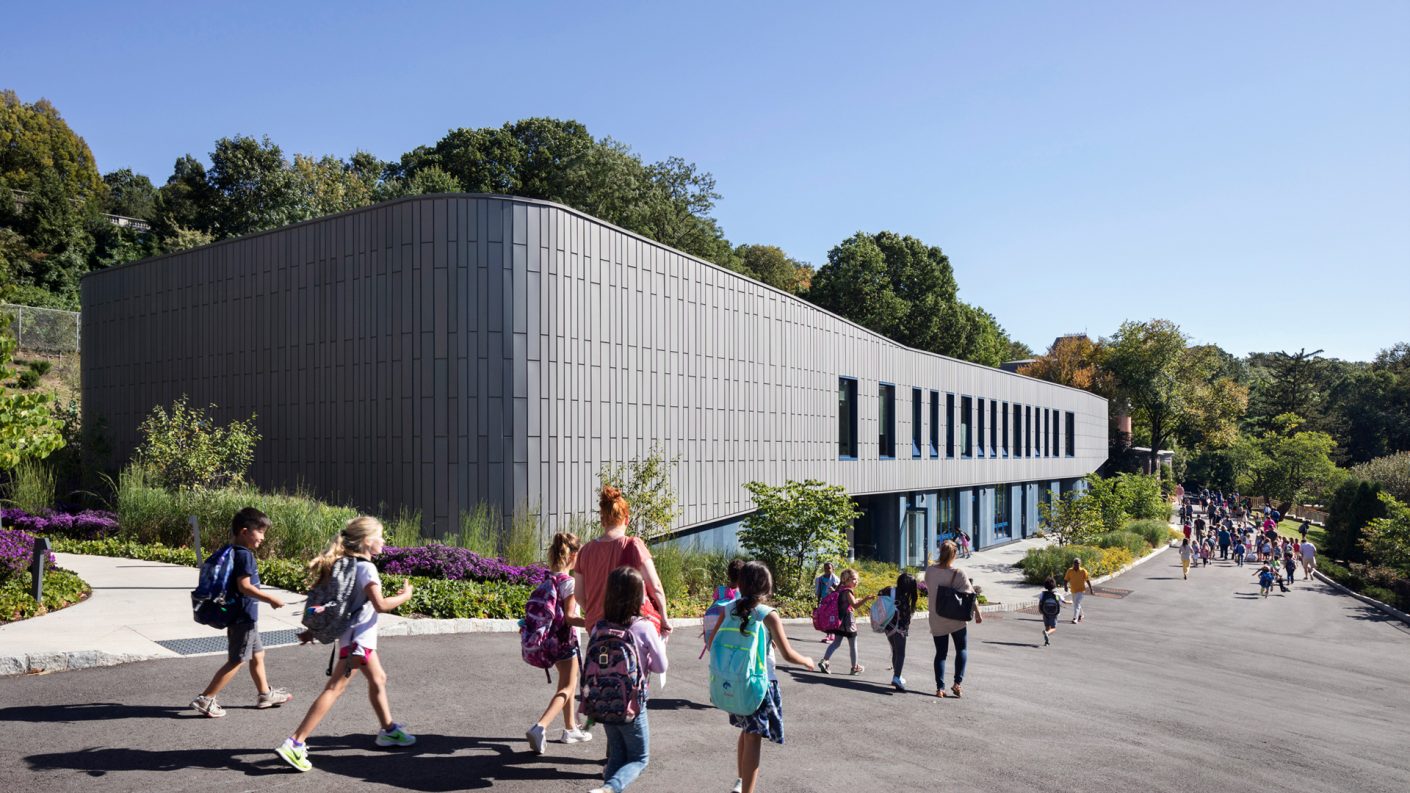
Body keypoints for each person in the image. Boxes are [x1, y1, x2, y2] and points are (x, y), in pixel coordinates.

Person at [275, 517, 416, 772]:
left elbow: (336, 602)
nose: (383, 541)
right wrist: (405, 596)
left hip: (353, 638)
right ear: (367, 541)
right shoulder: (367, 568)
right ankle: (295, 742)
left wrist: (313, 631)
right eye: (380, 536)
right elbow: (381, 605)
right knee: (334, 689)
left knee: (378, 679)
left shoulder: (345, 564)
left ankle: (389, 730)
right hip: (358, 642)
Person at [191, 507, 292, 718]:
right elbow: (245, 586)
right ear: (245, 531)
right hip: (243, 617)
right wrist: (270, 598)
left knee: (258, 653)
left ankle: (265, 694)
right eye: (260, 532)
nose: (263, 537)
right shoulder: (245, 555)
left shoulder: (231, 550)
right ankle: (206, 698)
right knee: (237, 659)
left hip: (241, 615)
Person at [727, 561, 815, 793]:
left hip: (736, 680)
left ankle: (740, 781)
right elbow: (788, 654)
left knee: (747, 731)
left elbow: (718, 638)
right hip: (760, 682)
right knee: (754, 736)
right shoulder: (768, 614)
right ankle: (747, 790)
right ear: (766, 585)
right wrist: (806, 660)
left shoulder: (730, 607)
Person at [588, 566, 667, 793]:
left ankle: (607, 788)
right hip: (632, 702)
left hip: (604, 700)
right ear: (637, 595)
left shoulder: (599, 627)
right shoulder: (643, 627)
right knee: (639, 758)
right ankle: (610, 788)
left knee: (617, 753)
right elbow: (661, 665)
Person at [575, 486, 672, 640]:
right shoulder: (633, 545)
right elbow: (655, 587)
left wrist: (595, 613)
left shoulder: (585, 551)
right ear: (627, 519)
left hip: (597, 629)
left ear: (602, 521)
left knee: (602, 663)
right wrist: (664, 617)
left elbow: (579, 596)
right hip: (629, 628)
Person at [526, 532, 590, 754]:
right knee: (568, 686)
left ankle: (570, 728)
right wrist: (592, 622)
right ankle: (540, 726)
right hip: (566, 642)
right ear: (573, 556)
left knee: (566, 684)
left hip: (551, 642)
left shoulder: (549, 579)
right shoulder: (569, 583)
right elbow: (571, 617)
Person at [925, 540, 981, 698]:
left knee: (941, 653)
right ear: (954, 555)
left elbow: (929, 587)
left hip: (937, 617)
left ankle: (940, 688)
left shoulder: (930, 571)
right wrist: (978, 613)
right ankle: (957, 683)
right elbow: (970, 596)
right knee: (961, 649)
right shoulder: (959, 573)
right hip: (956, 618)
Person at [819, 568, 872, 675]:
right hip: (848, 622)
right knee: (853, 645)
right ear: (846, 580)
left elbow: (847, 603)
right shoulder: (848, 591)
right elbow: (855, 605)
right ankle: (854, 667)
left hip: (839, 621)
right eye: (853, 579)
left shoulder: (840, 589)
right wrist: (866, 599)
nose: (856, 581)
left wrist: (857, 599)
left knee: (836, 643)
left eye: (857, 579)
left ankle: (825, 661)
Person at [878, 573, 919, 690]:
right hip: (899, 629)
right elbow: (905, 619)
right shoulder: (905, 599)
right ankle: (896, 677)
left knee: (895, 651)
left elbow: (879, 594)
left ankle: (897, 675)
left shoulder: (889, 590)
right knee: (901, 653)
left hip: (887, 626)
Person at [1063, 557, 1093, 622]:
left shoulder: (1083, 571)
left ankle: (1075, 618)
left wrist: (1091, 589)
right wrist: (1065, 586)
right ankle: (1081, 614)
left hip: (1081, 590)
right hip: (1073, 590)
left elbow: (1087, 580)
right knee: (1076, 603)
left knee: (1076, 603)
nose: (1076, 564)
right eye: (1075, 563)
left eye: (1078, 563)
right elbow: (1066, 579)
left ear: (1080, 564)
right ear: (1073, 563)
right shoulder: (1070, 570)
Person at [1038, 576, 1065, 646]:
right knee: (1053, 628)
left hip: (1045, 612)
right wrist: (1070, 602)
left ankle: (1046, 641)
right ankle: (1047, 633)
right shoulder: (1056, 594)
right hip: (1054, 613)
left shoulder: (1043, 594)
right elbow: (1063, 600)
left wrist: (1040, 610)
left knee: (1047, 626)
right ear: (1054, 585)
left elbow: (1040, 602)